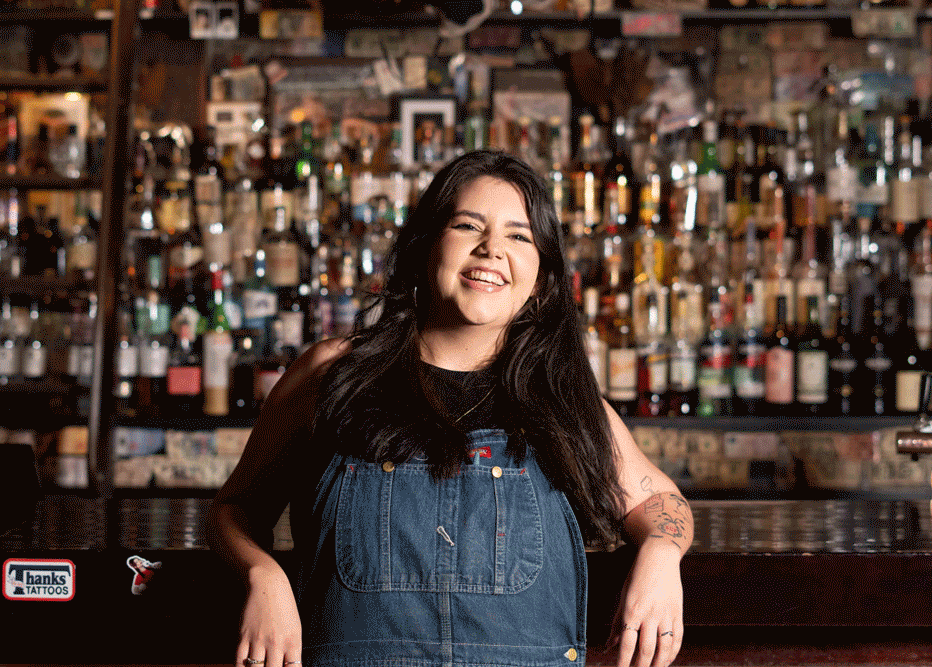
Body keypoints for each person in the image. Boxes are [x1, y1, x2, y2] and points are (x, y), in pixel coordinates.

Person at [210, 149, 692, 667]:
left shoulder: (564, 399)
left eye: (519, 236)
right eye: (469, 226)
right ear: (426, 245)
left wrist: (662, 556)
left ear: (541, 277)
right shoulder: (332, 373)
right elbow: (234, 509)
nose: (492, 250)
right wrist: (265, 576)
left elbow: (661, 503)